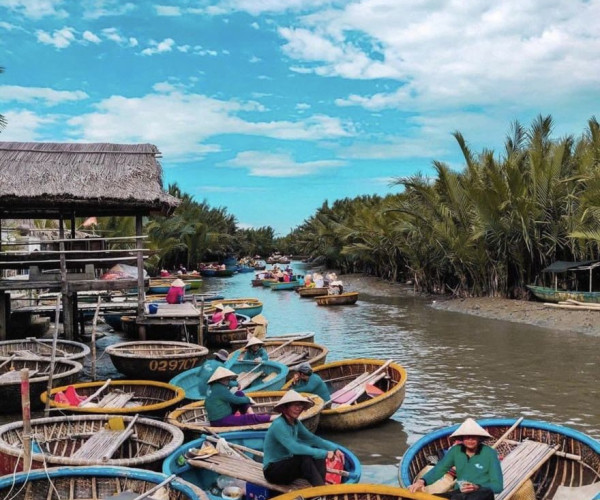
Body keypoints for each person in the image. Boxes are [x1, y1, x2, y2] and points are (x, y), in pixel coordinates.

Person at [263, 390, 345, 486]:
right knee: (304, 457)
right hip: (273, 471)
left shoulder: (296, 423)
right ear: (285, 408)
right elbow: (295, 448)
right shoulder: (279, 424)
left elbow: (312, 438)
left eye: (300, 405)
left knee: (317, 454)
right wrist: (324, 453)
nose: (299, 408)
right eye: (295, 405)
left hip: (288, 467)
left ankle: (320, 486)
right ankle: (320, 490)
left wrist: (334, 448)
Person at [408, 418, 503, 499]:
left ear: (479, 438)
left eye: (474, 437)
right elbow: (440, 469)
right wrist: (422, 481)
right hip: (460, 493)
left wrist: (477, 487)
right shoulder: (455, 451)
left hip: (482, 494)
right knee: (435, 497)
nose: (470, 440)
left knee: (480, 494)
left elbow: (498, 486)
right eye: (467, 437)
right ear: (462, 438)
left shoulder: (490, 453)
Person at [204, 366, 273, 426]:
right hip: (220, 420)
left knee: (239, 393)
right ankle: (270, 417)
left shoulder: (214, 385)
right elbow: (235, 400)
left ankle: (251, 414)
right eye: (227, 379)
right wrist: (248, 399)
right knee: (247, 418)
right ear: (221, 379)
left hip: (225, 413)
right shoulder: (221, 389)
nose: (229, 380)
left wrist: (237, 384)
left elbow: (230, 383)